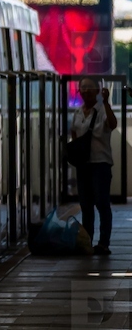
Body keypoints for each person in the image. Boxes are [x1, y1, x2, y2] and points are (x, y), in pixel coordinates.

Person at [71, 76, 118, 255]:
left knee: (101, 203)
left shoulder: (102, 110)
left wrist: (106, 103)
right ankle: (88, 241)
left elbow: (112, 124)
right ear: (79, 91)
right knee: (86, 204)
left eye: (91, 87)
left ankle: (104, 242)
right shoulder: (77, 113)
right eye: (84, 87)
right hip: (84, 166)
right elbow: (74, 135)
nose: (87, 90)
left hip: (101, 164)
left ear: (98, 91)